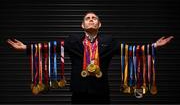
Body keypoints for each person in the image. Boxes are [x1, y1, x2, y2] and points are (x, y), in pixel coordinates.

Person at [7, 12, 174, 104]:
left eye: (94, 18)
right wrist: (25, 47)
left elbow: (130, 51)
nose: (91, 20)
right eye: (88, 18)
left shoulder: (109, 42)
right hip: (79, 92)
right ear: (82, 25)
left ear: (99, 25)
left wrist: (154, 46)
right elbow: (50, 47)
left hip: (102, 92)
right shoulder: (73, 40)